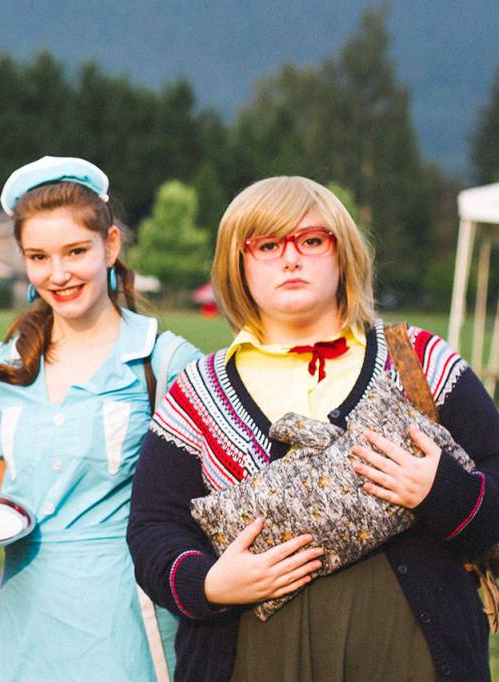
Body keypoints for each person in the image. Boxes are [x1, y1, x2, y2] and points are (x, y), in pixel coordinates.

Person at [127, 176, 499, 681]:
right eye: (268, 244)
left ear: (342, 254)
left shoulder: (420, 361)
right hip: (253, 660)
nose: (291, 258)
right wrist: (209, 583)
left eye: (311, 241)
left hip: (416, 659)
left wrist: (441, 491)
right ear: (238, 263)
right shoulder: (199, 392)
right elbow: (153, 527)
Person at [0, 156, 201, 681]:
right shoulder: (1, 366)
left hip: (127, 613)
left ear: (111, 246)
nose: (58, 274)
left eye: (75, 251)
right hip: (25, 610)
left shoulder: (164, 361)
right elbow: (9, 496)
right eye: (39, 256)